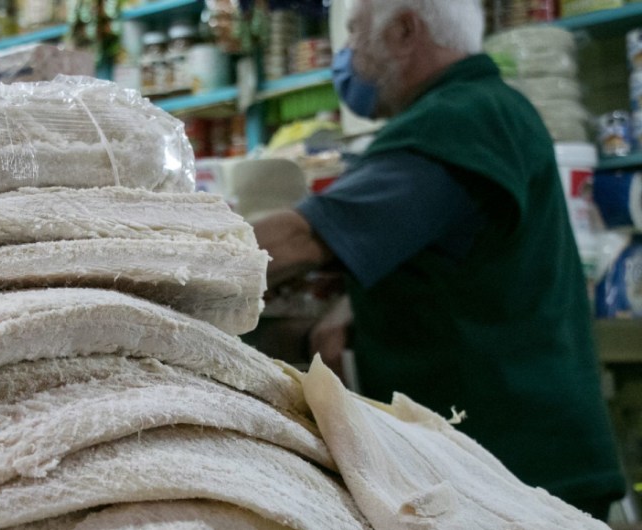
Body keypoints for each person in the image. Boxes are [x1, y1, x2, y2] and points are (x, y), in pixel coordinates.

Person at [253, 0, 626, 519]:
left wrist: (158, 250)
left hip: (517, 473)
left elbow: (301, 239)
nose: (347, 56)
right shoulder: (487, 106)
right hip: (513, 462)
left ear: (406, 32)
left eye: (356, 34)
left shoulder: (457, 120)